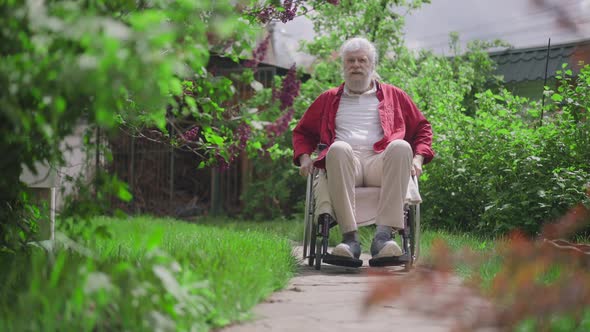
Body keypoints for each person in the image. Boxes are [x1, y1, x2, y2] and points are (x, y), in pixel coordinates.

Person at [292, 37, 434, 265]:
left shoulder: (394, 95)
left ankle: (383, 238)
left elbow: (422, 128)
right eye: (350, 61)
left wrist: (418, 158)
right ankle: (350, 240)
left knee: (401, 146)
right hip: (346, 163)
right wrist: (304, 157)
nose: (356, 65)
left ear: (372, 65)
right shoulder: (328, 99)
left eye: (362, 60)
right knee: (337, 148)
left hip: (380, 160)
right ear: (343, 66)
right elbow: (302, 132)